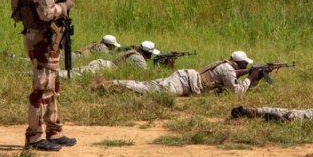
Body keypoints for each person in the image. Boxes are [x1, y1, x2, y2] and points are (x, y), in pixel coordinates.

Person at [12, 0, 78, 152]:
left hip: (46, 40)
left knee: (52, 87)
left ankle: (54, 131)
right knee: (41, 89)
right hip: (41, 40)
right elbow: (46, 13)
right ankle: (35, 137)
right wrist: (65, 6)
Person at [91, 50, 261, 96]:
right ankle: (108, 85)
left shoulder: (226, 66)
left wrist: (249, 79)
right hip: (184, 82)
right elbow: (236, 92)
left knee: (147, 85)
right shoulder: (228, 70)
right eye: (245, 64)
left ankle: (110, 83)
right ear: (240, 63)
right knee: (147, 89)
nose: (246, 65)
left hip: (184, 78)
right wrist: (251, 78)